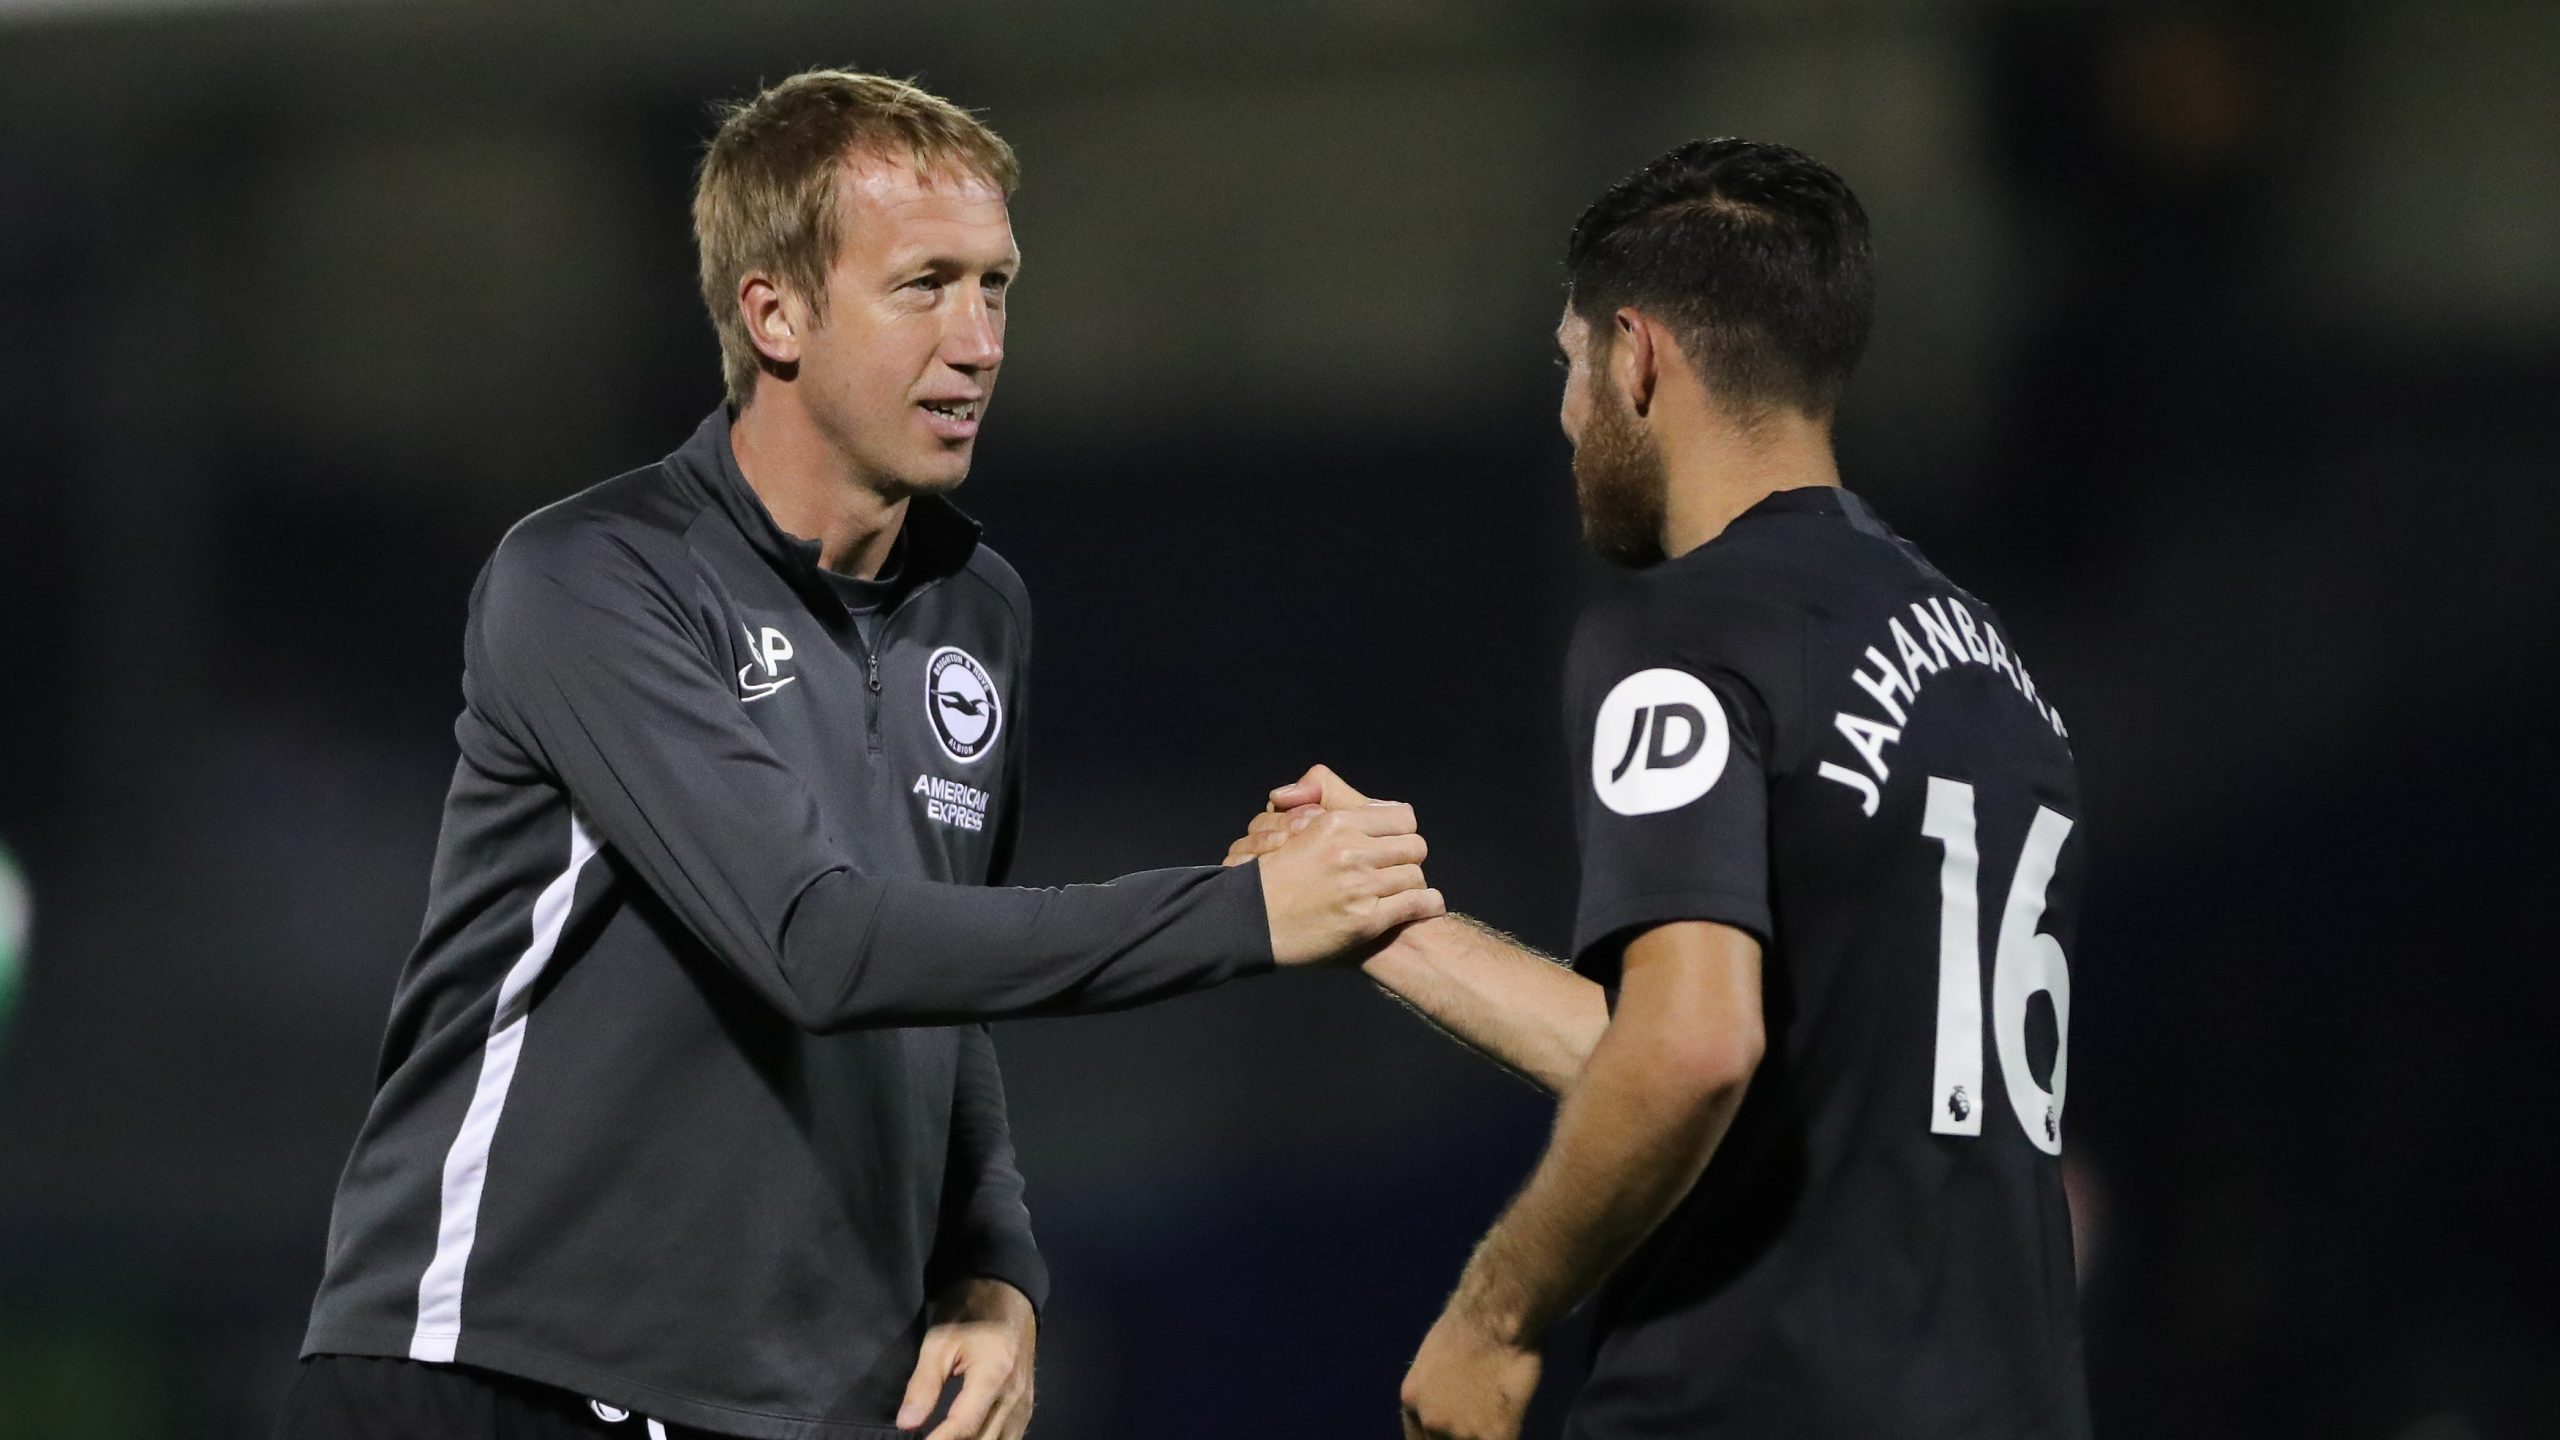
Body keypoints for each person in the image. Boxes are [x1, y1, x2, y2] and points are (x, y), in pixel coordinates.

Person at [278, 69, 1442, 1440]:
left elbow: (940, 984)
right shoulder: (595, 578)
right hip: (490, 1370)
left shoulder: (980, 610)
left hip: (786, 1397)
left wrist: (993, 1266)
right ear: (774, 313)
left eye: (995, 286)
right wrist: (1245, 914)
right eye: (923, 287)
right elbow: (818, 946)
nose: (978, 341)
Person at [1232, 139, 2091, 1440]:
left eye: (1569, 367)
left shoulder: (1689, 627)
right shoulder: (1995, 677)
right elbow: (1719, 1065)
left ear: (1636, 357)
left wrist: (1493, 1318)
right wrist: (1391, 928)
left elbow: (1693, 1051)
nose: (1569, 414)